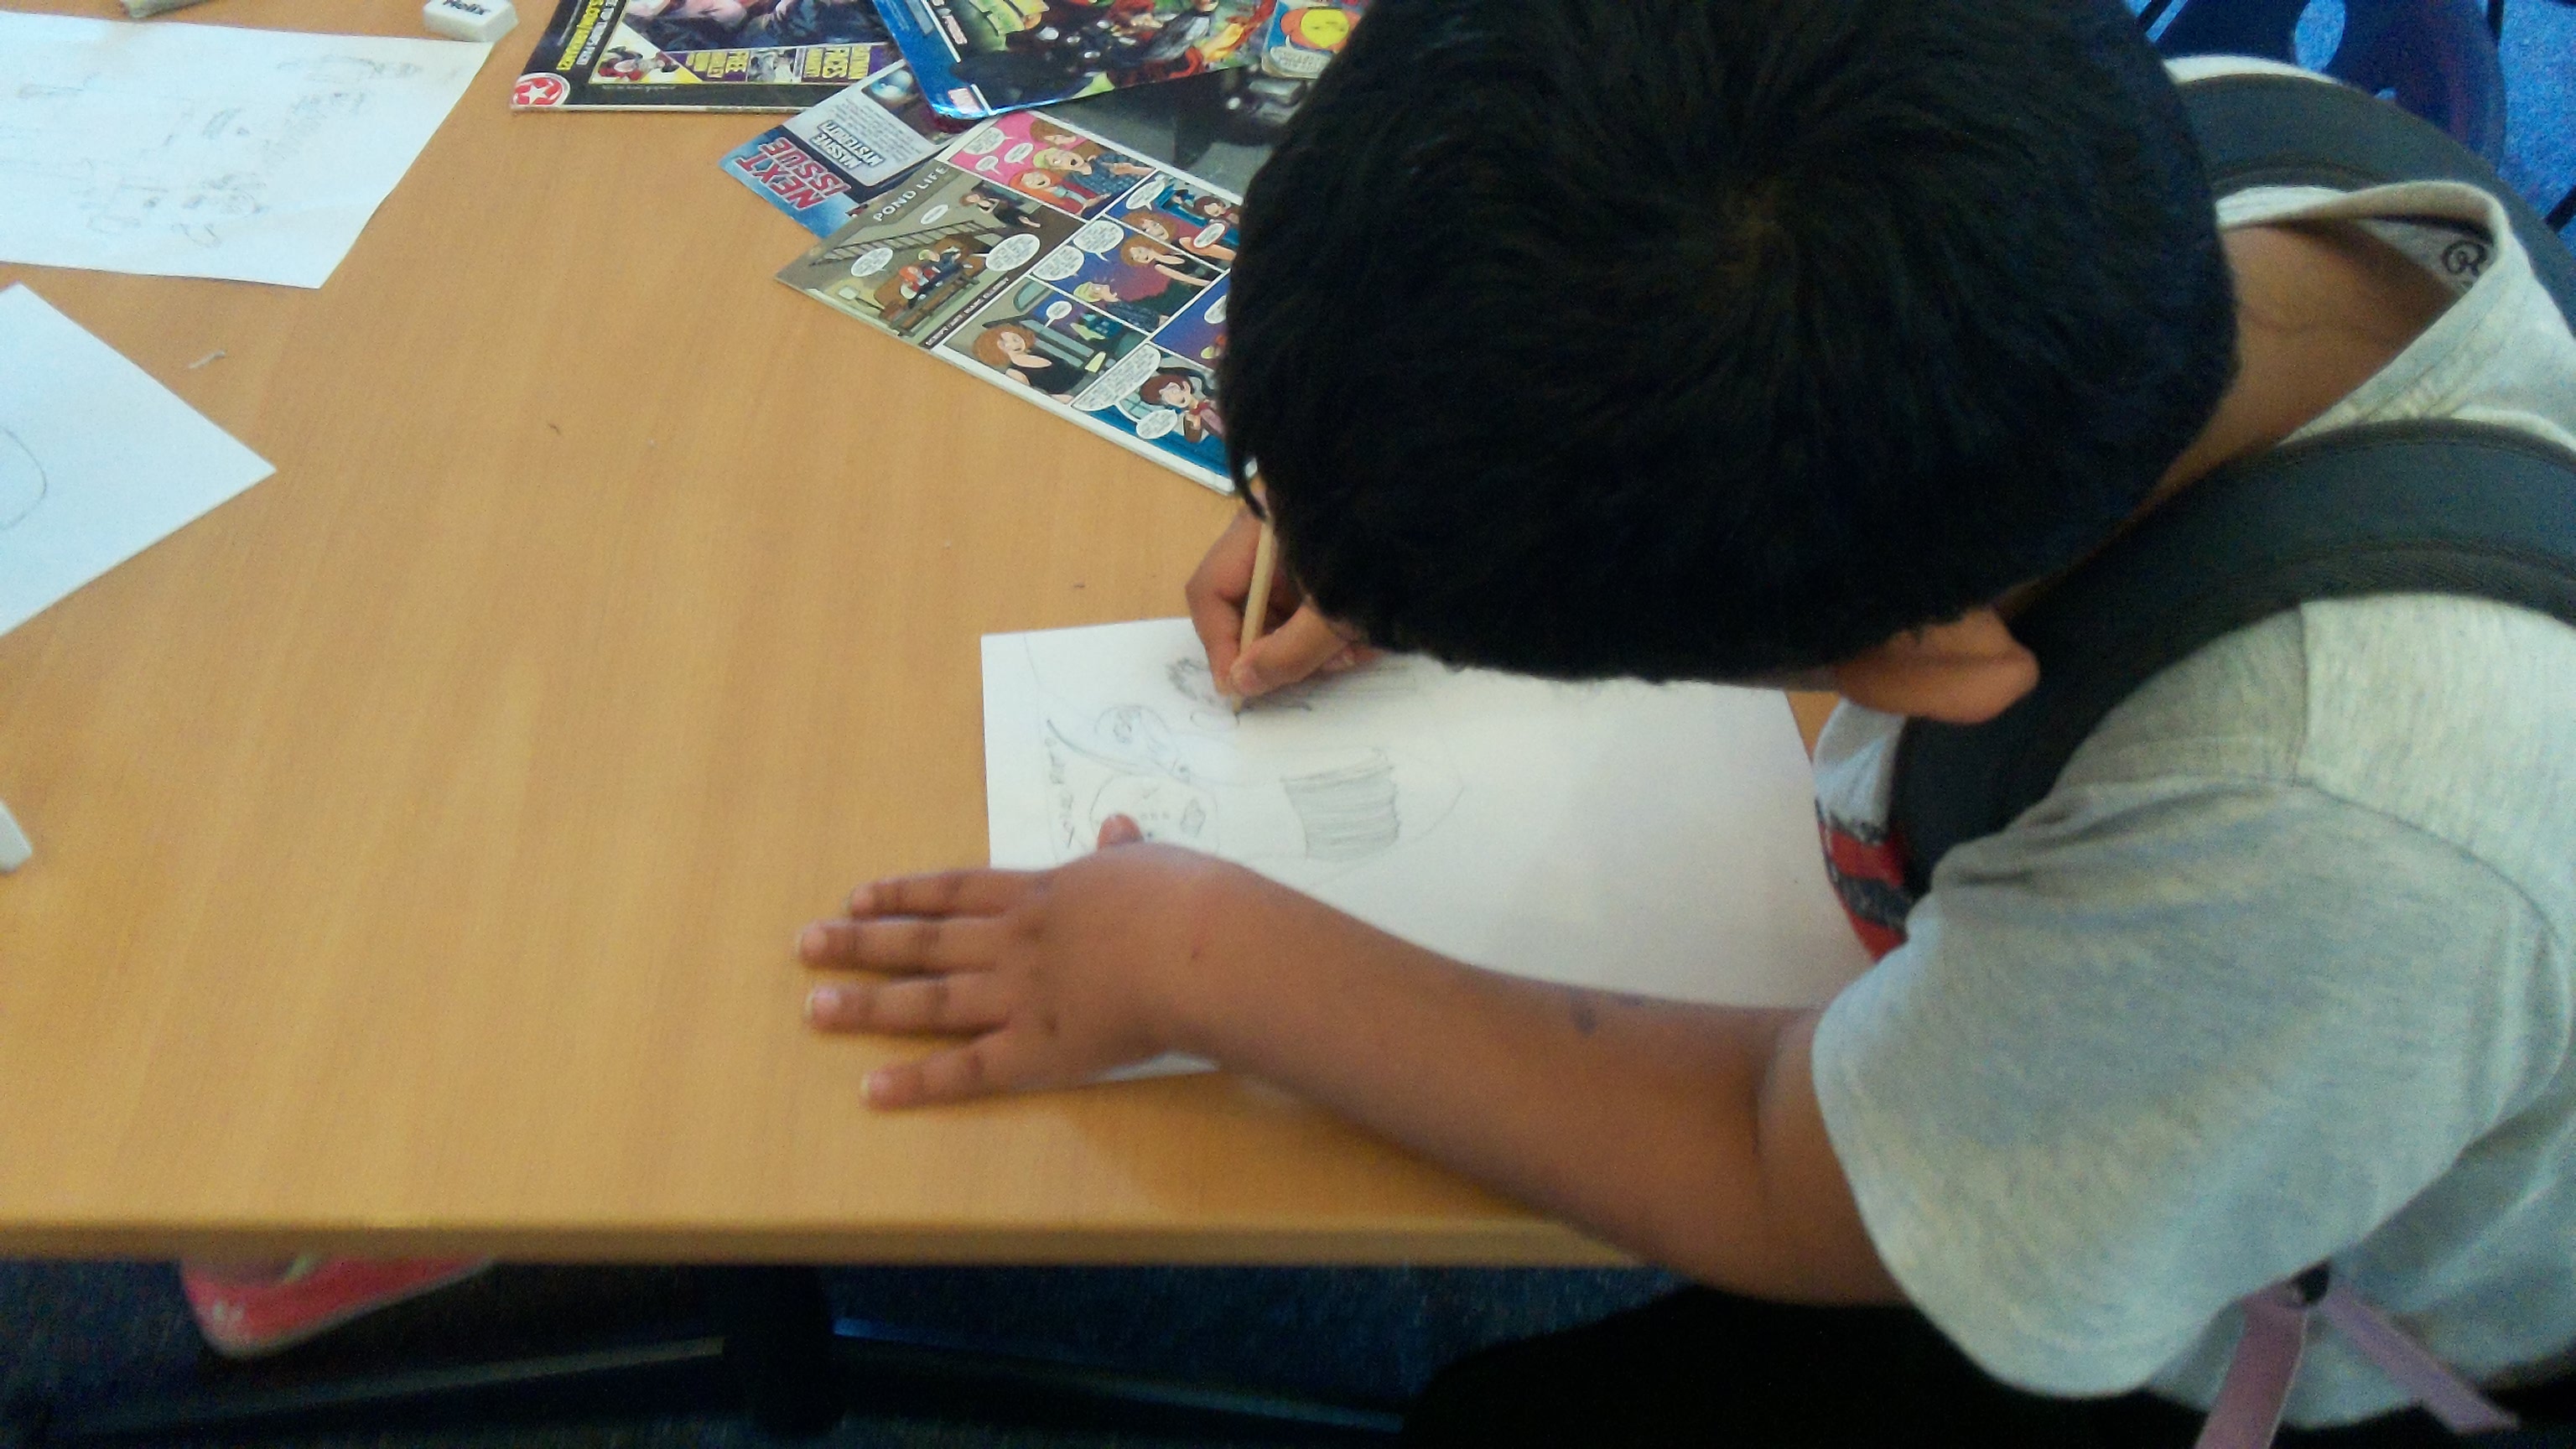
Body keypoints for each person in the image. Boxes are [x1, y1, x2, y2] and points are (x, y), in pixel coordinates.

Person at [794, 0, 2576, 1442]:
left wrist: (1202, 955)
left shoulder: (2328, 830)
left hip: (2262, 1309)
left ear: (1922, 664)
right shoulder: (2071, 165)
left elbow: (1799, 1173)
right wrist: (1398, 507)